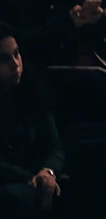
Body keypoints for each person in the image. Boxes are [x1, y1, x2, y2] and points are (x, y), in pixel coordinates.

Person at [0, 23, 64, 219]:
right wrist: (33, 178)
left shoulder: (33, 90)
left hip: (36, 180)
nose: (15, 63)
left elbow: (56, 146)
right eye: (4, 58)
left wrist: (48, 172)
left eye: (17, 54)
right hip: (12, 182)